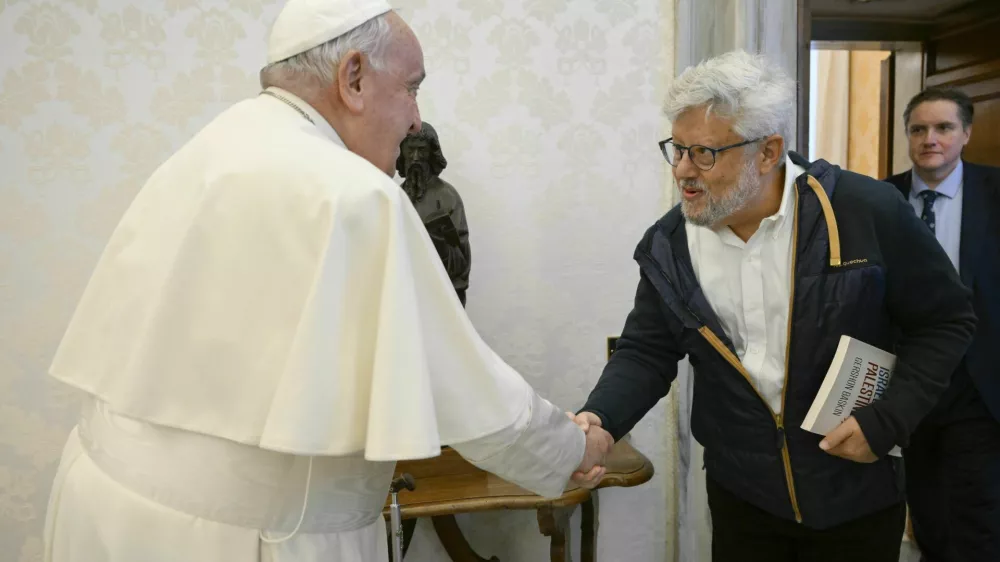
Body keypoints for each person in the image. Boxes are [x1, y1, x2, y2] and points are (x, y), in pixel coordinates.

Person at [41, 2, 612, 561]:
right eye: (411, 88)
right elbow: (468, 392)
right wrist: (568, 449)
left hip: (101, 508)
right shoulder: (357, 194)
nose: (416, 119)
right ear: (353, 77)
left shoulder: (210, 145)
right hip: (247, 537)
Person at [571, 50, 977, 562]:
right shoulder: (670, 243)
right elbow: (647, 350)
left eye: (703, 153)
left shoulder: (864, 211)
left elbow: (946, 321)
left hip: (856, 495)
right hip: (742, 498)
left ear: (768, 152)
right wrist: (600, 421)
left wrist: (888, 420)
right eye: (676, 149)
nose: (682, 170)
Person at [884, 87, 1000, 562]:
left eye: (944, 128)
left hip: (979, 382)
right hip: (906, 380)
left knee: (979, 515)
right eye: (919, 129)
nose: (930, 138)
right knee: (924, 506)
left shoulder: (994, 192)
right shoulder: (880, 198)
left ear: (966, 134)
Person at [397, 122, 471, 306]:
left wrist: (438, 242)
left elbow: (461, 260)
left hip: (440, 294)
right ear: (401, 153)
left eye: (422, 150)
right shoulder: (395, 196)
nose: (415, 158)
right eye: (410, 150)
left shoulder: (447, 196)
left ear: (432, 153)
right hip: (404, 291)